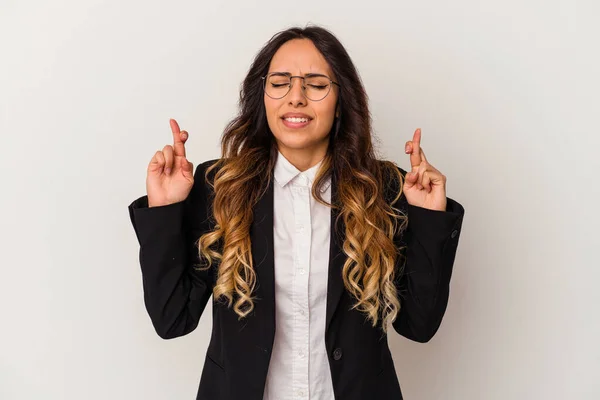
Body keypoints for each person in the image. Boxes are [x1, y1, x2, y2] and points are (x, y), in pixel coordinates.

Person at [128, 25, 464, 400]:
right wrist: (165, 208)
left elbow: (419, 325)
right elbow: (172, 319)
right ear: (262, 96)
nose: (296, 97)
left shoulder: (384, 190)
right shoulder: (219, 186)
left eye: (316, 84)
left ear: (341, 100)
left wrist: (429, 218)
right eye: (280, 82)